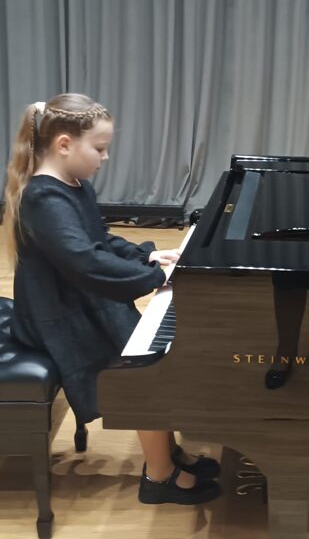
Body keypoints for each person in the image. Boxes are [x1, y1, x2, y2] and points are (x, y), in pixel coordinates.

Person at [3, 93, 220, 505]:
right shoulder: (44, 198)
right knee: (144, 371)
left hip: (78, 299)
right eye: (100, 148)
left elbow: (99, 240)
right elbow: (85, 262)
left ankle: (167, 453)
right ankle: (159, 477)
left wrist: (148, 256)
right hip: (57, 314)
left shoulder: (73, 185)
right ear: (64, 144)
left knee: (151, 359)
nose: (105, 158)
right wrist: (155, 277)